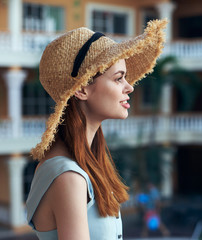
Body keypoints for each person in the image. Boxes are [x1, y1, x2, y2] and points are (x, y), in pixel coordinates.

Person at [25, 19, 167, 240]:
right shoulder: (68, 176)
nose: (129, 87)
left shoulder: (83, 165)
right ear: (81, 89)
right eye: (119, 78)